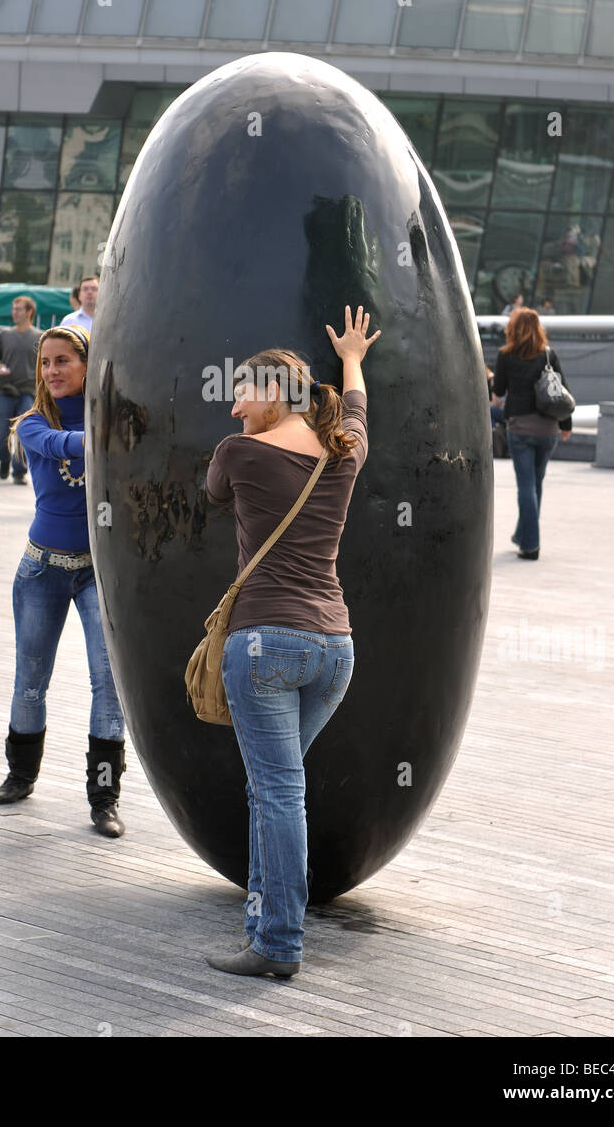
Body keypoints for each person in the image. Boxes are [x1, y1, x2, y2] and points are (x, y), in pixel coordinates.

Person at [203, 305, 379, 979]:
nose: (232, 409)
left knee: (277, 794)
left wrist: (249, 436)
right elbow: (356, 409)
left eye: (241, 394)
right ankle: (261, 922)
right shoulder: (344, 451)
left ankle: (277, 944)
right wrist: (353, 359)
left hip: (265, 646)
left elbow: (214, 492)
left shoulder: (238, 453)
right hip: (334, 648)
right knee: (275, 789)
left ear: (273, 394)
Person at [0, 325, 127, 837]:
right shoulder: (30, 425)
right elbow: (67, 444)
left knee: (108, 683)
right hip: (41, 569)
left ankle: (104, 798)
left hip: (97, 572)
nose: (52, 371)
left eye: (63, 361)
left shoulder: (105, 416)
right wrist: (110, 432)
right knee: (30, 681)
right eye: (46, 363)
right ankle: (20, 776)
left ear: (86, 364)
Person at [492, 307, 572, 561]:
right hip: (548, 429)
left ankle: (531, 546)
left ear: (512, 329)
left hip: (520, 428)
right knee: (536, 484)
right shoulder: (548, 355)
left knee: (526, 486)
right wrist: (566, 425)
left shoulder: (505, 356)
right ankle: (523, 536)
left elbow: (499, 391)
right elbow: (561, 391)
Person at [0, 295, 42, 483]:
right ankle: (4, 460)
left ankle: (19, 471)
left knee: (22, 432)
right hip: (5, 391)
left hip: (28, 392)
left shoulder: (40, 337)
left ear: (29, 312)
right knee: (2, 431)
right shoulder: (4, 335)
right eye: (13, 308)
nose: (14, 312)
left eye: (18, 309)